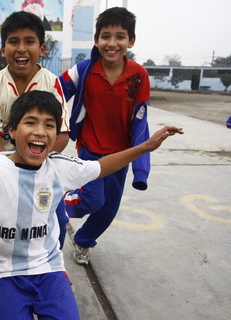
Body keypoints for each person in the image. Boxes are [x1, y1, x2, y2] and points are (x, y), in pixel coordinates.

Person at [0, 90, 183, 319]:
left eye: (49, 125)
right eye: (30, 122)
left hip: (47, 268)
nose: (40, 131)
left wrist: (145, 147)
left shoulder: (59, 167)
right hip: (1, 272)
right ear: (12, 131)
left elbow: (101, 166)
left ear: (57, 134)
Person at [59, 7, 151, 265]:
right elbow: (54, 92)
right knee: (92, 199)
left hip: (120, 155)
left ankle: (83, 240)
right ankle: (56, 202)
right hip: (89, 150)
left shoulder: (138, 75)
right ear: (96, 40)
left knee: (109, 208)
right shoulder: (85, 70)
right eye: (105, 36)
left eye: (120, 37)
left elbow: (141, 121)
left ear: (130, 41)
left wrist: (140, 169)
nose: (112, 43)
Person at [0, 10, 69, 159]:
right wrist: (10, 169)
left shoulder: (52, 83)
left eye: (29, 41)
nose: (21, 49)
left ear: (42, 49)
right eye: (13, 42)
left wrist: (41, 166)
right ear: (3, 50)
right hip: (7, 166)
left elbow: (62, 134)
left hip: (43, 165)